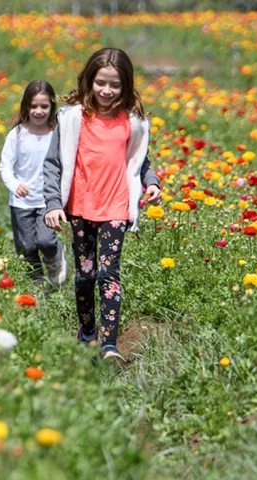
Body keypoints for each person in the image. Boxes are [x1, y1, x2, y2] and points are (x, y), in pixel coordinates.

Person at [43, 48, 162, 364]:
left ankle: (109, 344)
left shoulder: (132, 122)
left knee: (109, 273)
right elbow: (54, 163)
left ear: (126, 86)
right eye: (101, 83)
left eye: (115, 85)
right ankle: (87, 332)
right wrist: (53, 204)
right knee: (85, 275)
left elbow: (139, 160)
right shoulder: (72, 118)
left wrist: (152, 182)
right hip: (81, 208)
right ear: (88, 81)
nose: (107, 91)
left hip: (116, 208)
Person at [0, 80, 67, 288]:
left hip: (48, 201)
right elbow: (5, 166)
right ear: (26, 106)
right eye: (34, 106)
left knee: (46, 241)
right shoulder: (17, 134)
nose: (39, 111)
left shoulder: (57, 134)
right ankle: (37, 284)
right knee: (26, 247)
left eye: (44, 106)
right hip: (22, 202)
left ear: (52, 107)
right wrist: (14, 184)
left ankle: (56, 259)